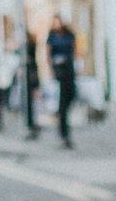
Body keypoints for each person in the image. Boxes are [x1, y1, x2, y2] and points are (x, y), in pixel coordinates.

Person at [45, 16, 78, 147]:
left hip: (69, 70)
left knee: (71, 96)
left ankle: (62, 117)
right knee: (62, 102)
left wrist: (76, 65)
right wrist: (51, 70)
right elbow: (48, 53)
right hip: (59, 72)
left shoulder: (69, 35)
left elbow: (75, 50)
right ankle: (63, 132)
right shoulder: (52, 37)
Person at [20, 27, 41, 138]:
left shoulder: (29, 46)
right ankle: (32, 124)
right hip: (30, 76)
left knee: (32, 102)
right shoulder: (27, 46)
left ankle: (33, 124)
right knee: (30, 102)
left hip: (31, 76)